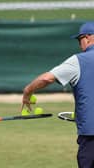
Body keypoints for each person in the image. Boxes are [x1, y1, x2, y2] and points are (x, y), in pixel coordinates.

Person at [21, 21, 94, 168]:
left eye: (80, 40)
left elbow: (47, 78)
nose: (80, 45)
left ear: (87, 38)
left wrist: (27, 91)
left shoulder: (79, 61)